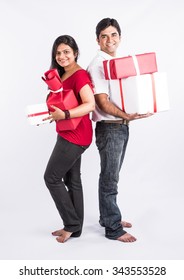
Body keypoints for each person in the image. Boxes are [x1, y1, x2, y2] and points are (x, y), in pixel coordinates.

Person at [87, 18, 152, 242]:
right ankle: (113, 228)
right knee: (109, 179)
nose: (109, 40)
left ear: (120, 37)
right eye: (104, 36)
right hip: (110, 127)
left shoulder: (114, 62)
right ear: (97, 40)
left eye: (113, 35)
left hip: (119, 127)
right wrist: (128, 116)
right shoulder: (98, 64)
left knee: (110, 177)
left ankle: (108, 217)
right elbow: (102, 102)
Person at [44, 35, 95, 243]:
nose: (62, 56)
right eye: (58, 53)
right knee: (72, 181)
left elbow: (89, 104)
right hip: (66, 132)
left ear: (75, 52)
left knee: (51, 178)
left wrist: (64, 115)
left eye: (66, 52)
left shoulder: (79, 75)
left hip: (76, 135)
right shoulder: (62, 75)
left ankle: (71, 224)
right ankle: (76, 228)